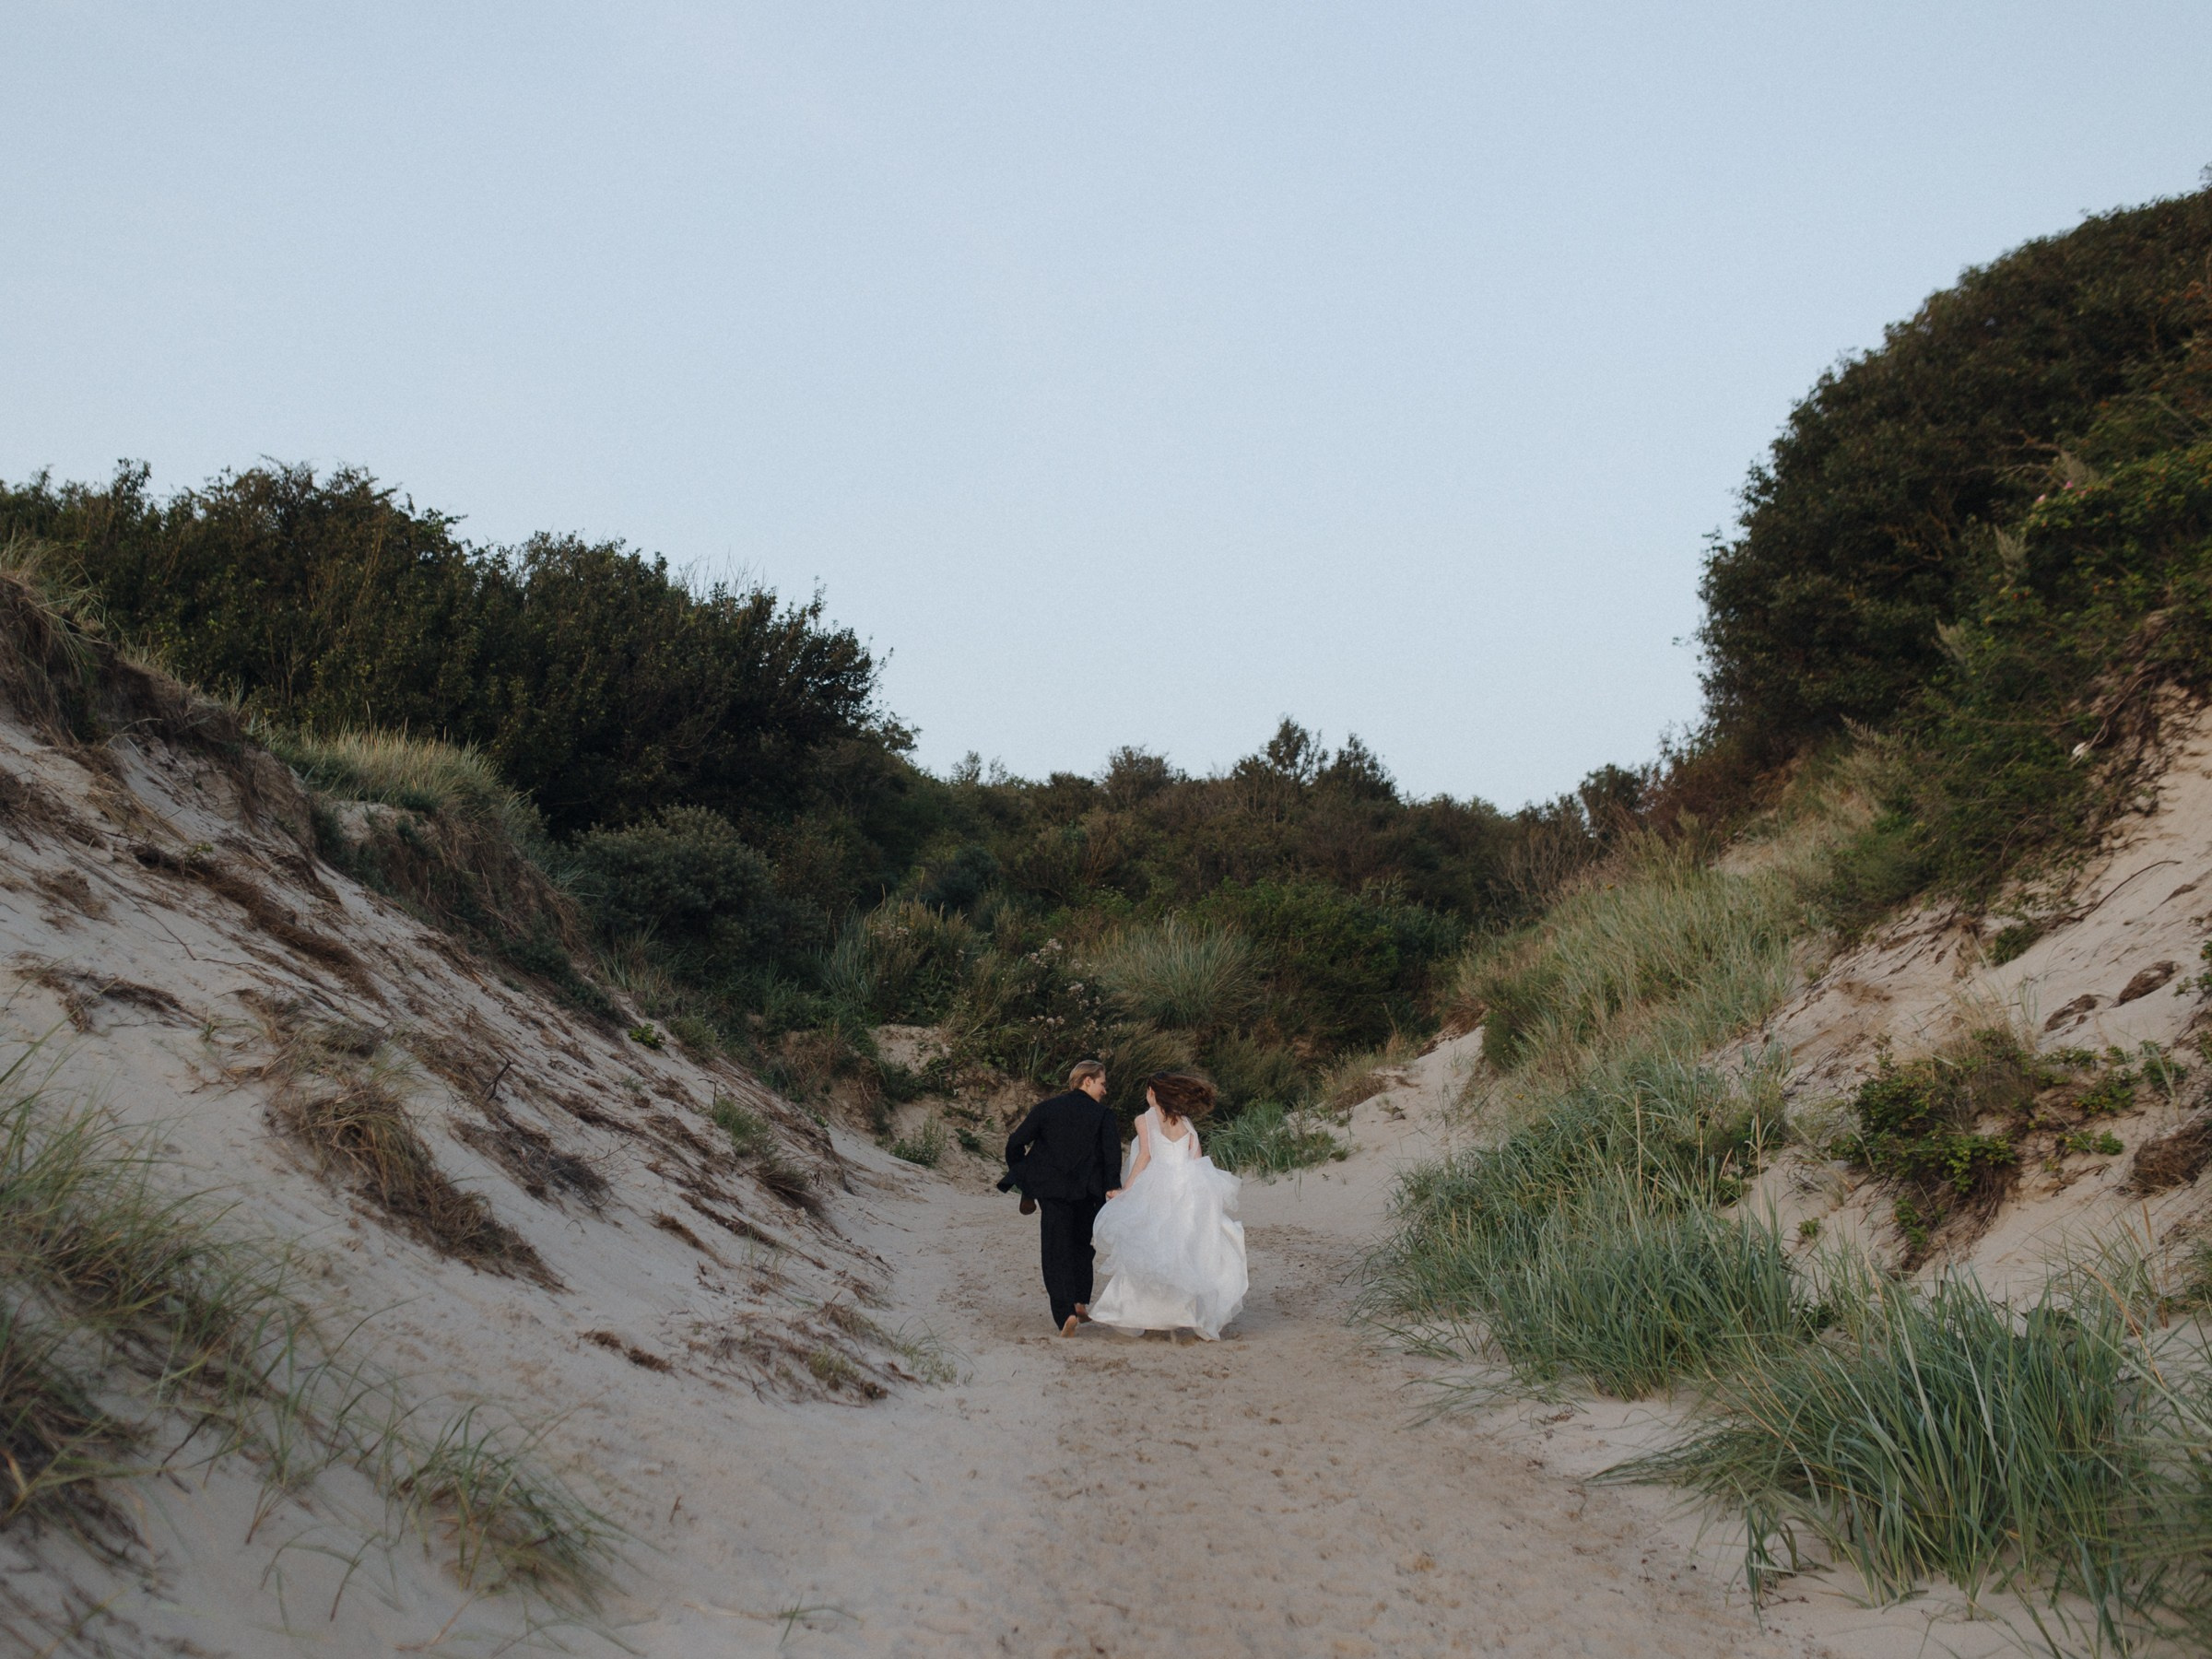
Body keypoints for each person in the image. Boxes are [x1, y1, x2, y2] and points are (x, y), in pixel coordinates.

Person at [1088, 1073, 1247, 1341]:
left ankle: (1149, 1316)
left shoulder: (1145, 1119)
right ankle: (1186, 1315)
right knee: (1185, 1249)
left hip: (1157, 1184)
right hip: (1187, 1186)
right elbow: (1196, 1159)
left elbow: (1144, 1157)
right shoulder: (1185, 1122)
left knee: (1151, 1247)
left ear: (1153, 1092)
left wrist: (1126, 1190)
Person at [1003, 1060, 1123, 1336]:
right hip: (1088, 1193)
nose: (1105, 1090)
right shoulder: (1104, 1115)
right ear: (1087, 1081)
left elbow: (1015, 1142)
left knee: (1056, 1251)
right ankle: (1080, 1299)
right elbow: (1111, 1157)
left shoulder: (1047, 1108)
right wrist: (1112, 1187)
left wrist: (1022, 1172)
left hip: (1053, 1191)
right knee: (1082, 1246)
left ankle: (1065, 1313)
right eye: (1103, 1083)